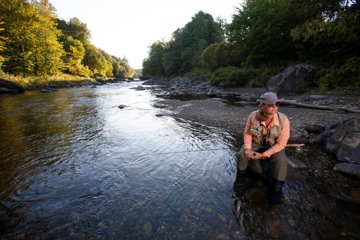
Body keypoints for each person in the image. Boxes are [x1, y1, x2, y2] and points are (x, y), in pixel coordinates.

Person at [234, 92, 290, 204]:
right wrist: (248, 149)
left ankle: (277, 189)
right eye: (270, 105)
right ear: (262, 105)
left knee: (282, 161)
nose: (274, 107)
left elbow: (281, 144)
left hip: (274, 145)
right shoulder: (252, 116)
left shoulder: (284, 120)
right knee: (241, 155)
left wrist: (264, 155)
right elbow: (248, 134)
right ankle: (241, 177)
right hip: (256, 143)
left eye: (277, 104)